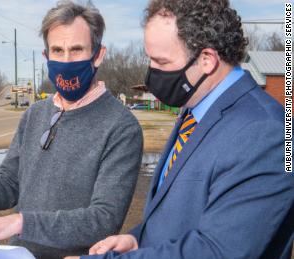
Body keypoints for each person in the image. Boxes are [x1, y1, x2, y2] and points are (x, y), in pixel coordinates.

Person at [67, 0, 294, 258]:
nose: (151, 73)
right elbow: (177, 213)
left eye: (161, 62)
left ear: (207, 60)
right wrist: (137, 238)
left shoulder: (268, 134)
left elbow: (219, 251)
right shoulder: (194, 109)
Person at [0, 1, 143, 258]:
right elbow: (8, 185)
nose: (66, 60)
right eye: (57, 50)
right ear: (46, 56)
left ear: (98, 55)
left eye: (77, 50)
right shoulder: (35, 114)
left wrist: (20, 223)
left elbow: (103, 219)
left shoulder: (121, 127)